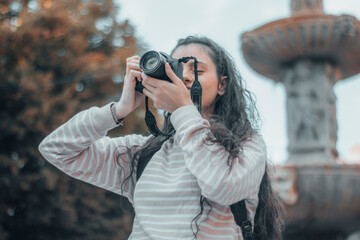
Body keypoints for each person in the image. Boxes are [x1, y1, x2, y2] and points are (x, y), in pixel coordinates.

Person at [39, 35, 284, 240]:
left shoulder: (247, 145)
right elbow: (56, 149)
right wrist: (118, 110)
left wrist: (183, 112)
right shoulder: (142, 153)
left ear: (222, 84)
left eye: (197, 69)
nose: (185, 77)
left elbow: (222, 187)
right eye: (177, 69)